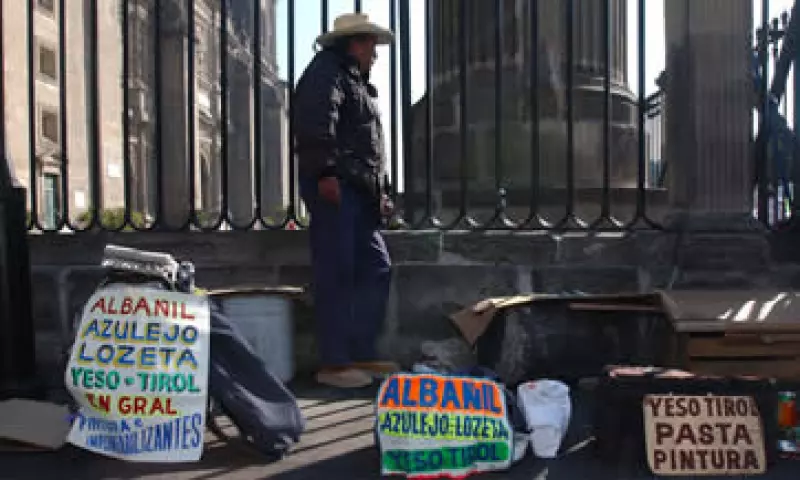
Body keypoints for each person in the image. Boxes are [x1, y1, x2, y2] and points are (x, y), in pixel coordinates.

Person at [293, 13, 399, 389]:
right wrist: (325, 173)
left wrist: (380, 192)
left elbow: (368, 144)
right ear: (356, 43)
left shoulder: (352, 79)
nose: (376, 53)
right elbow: (315, 122)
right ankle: (335, 363)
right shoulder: (327, 71)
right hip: (337, 187)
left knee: (376, 267)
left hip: (357, 191)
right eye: (372, 44)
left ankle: (358, 352)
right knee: (336, 272)